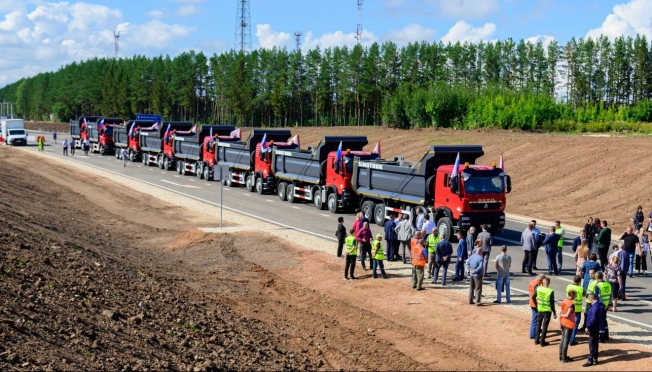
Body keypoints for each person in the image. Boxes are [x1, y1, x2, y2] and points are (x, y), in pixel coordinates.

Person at [533, 277, 557, 346]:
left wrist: (536, 305)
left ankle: (536, 340)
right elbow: (552, 303)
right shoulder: (550, 291)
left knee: (538, 324)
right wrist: (554, 312)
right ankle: (542, 341)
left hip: (540, 309)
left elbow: (533, 297)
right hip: (547, 311)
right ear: (549, 283)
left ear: (543, 283)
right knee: (545, 326)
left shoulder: (538, 288)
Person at [583, 293, 604, 367]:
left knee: (592, 344)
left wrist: (588, 327)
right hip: (597, 327)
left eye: (589, 299)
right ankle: (595, 358)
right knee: (595, 343)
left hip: (593, 327)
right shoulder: (599, 305)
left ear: (591, 299)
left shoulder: (594, 307)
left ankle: (590, 359)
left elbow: (592, 318)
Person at [559, 289, 577, 363]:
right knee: (566, 341)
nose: (576, 296)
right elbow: (567, 315)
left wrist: (560, 319)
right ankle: (564, 358)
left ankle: (561, 356)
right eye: (575, 294)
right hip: (568, 324)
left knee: (562, 340)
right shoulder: (571, 304)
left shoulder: (564, 300)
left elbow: (561, 311)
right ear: (572, 294)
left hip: (563, 322)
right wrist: (563, 315)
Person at [566, 275, 584, 346]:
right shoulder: (581, 289)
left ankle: (567, 337)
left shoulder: (569, 286)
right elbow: (584, 295)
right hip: (577, 309)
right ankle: (572, 339)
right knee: (575, 324)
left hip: (569, 307)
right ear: (580, 281)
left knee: (569, 323)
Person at [594, 271, 612, 342]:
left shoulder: (598, 286)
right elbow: (611, 295)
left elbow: (598, 297)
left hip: (601, 306)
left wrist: (603, 305)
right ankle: (606, 336)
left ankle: (602, 338)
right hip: (607, 305)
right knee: (604, 320)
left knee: (600, 321)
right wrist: (608, 305)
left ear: (597, 277)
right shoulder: (608, 284)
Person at [528, 275, 546, 340]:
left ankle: (535, 331)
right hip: (535, 304)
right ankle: (533, 334)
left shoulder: (532, 282)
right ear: (540, 280)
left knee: (535, 318)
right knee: (535, 319)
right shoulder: (536, 286)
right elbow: (538, 292)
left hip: (531, 302)